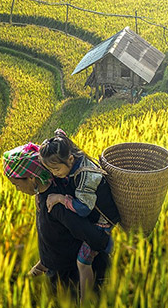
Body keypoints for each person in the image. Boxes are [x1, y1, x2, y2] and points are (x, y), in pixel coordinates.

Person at [3, 143, 112, 297]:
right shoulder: (42, 196)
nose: (17, 189)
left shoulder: (55, 205)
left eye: (16, 184)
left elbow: (95, 239)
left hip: (70, 284)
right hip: (56, 275)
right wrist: (42, 265)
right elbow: (57, 238)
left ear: (32, 178)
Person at [38, 129, 121, 302]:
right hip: (92, 212)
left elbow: (83, 209)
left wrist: (61, 198)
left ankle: (85, 300)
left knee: (82, 262)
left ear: (70, 159)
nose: (54, 173)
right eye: (50, 170)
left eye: (56, 168)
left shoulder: (86, 176)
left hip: (102, 221)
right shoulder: (71, 158)